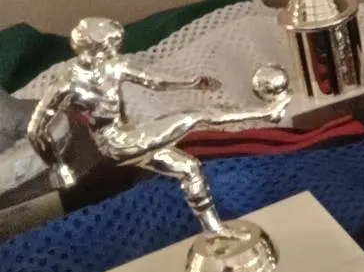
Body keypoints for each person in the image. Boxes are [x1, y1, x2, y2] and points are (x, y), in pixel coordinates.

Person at [27, 17, 288, 237]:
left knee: (189, 168)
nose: (114, 51)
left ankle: (214, 232)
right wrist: (58, 165)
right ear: (92, 50)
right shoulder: (67, 84)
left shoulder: (113, 66)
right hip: (116, 145)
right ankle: (267, 113)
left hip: (131, 135)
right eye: (110, 46)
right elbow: (36, 129)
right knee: (196, 116)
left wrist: (193, 82)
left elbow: (155, 82)